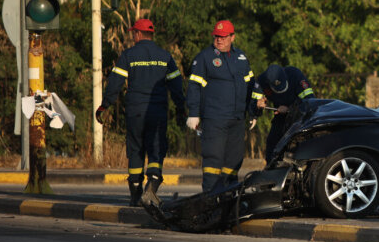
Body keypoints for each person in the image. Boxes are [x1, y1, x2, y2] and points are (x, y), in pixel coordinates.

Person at [96, 18, 186, 207]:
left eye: (133, 33)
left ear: (137, 34)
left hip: (135, 112)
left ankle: (135, 193)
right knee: (156, 149)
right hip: (157, 112)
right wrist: (181, 109)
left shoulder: (129, 55)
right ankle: (151, 186)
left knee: (136, 149)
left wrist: (105, 105)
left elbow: (115, 82)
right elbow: (176, 85)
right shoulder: (165, 56)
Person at [186, 20, 262, 193]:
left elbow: (252, 86)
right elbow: (194, 87)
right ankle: (209, 200)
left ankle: (229, 198)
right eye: (216, 36)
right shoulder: (204, 57)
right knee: (213, 161)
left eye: (223, 36)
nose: (219, 39)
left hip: (237, 119)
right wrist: (193, 113)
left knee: (233, 163)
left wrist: (253, 112)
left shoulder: (241, 57)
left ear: (232, 37)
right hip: (215, 118)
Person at [255, 64, 315, 162]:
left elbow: (309, 102)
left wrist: (290, 108)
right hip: (280, 116)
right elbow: (254, 104)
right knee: (272, 143)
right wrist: (258, 104)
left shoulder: (295, 75)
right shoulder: (262, 81)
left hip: (300, 116)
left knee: (299, 145)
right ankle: (272, 167)